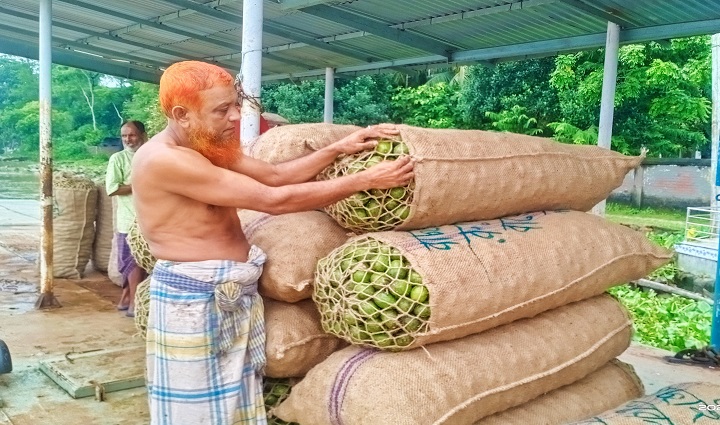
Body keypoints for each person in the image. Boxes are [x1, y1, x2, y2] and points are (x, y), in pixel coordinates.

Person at [132, 60, 414, 425]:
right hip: (194, 298)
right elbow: (272, 200)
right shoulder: (165, 160)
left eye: (235, 104)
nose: (235, 116)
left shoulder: (207, 145)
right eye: (223, 110)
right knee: (194, 411)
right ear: (183, 114)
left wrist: (338, 149)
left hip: (227, 292)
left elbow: (277, 175)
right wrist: (365, 180)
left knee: (236, 401)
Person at [106, 120, 148, 318]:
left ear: (142, 134)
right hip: (128, 221)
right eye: (124, 136)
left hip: (149, 219)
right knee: (131, 263)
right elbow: (112, 188)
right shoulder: (118, 159)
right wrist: (137, 185)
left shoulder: (151, 155)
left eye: (131, 135)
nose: (127, 139)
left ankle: (126, 298)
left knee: (144, 262)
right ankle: (133, 302)